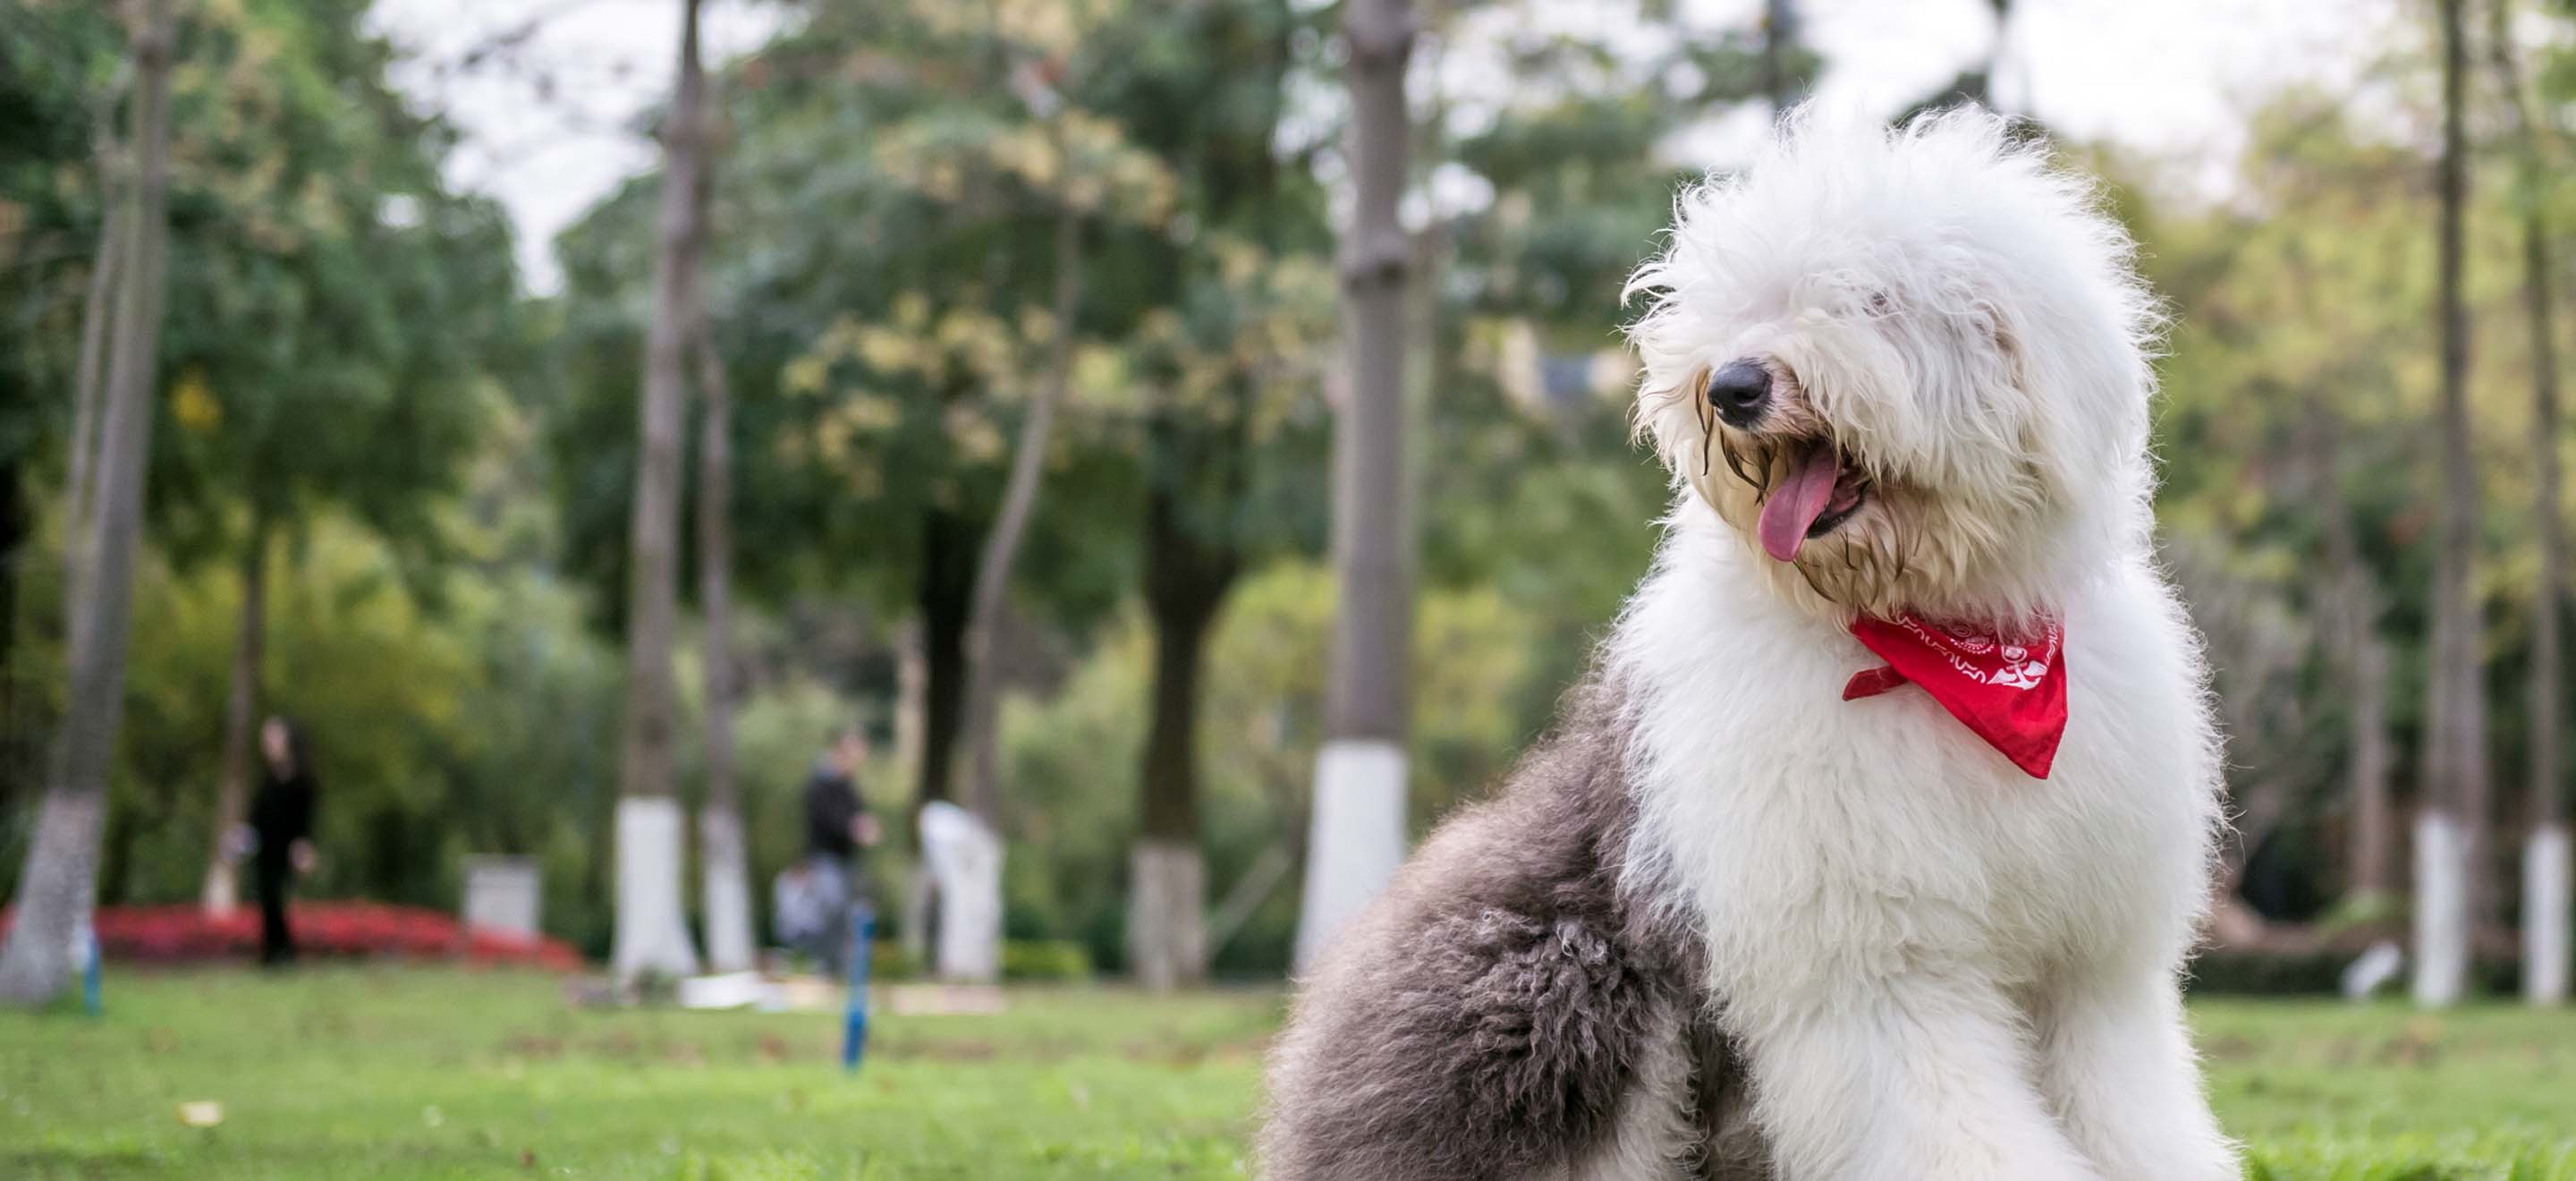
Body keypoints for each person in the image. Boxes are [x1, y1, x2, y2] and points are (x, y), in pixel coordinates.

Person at [797, 727, 878, 973]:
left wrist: (864, 825)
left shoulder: (849, 785)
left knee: (845, 913)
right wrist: (853, 828)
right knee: (829, 907)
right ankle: (822, 965)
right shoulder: (821, 782)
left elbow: (854, 815)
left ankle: (837, 968)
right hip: (825, 857)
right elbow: (828, 818)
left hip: (846, 859)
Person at [246, 716, 318, 966]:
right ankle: (271, 952)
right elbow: (255, 818)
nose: (268, 743)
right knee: (266, 898)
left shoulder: (301, 780)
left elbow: (305, 820)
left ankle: (285, 951)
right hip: (264, 849)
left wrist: (303, 847)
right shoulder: (267, 779)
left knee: (276, 897)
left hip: (286, 850)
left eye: (273, 737)